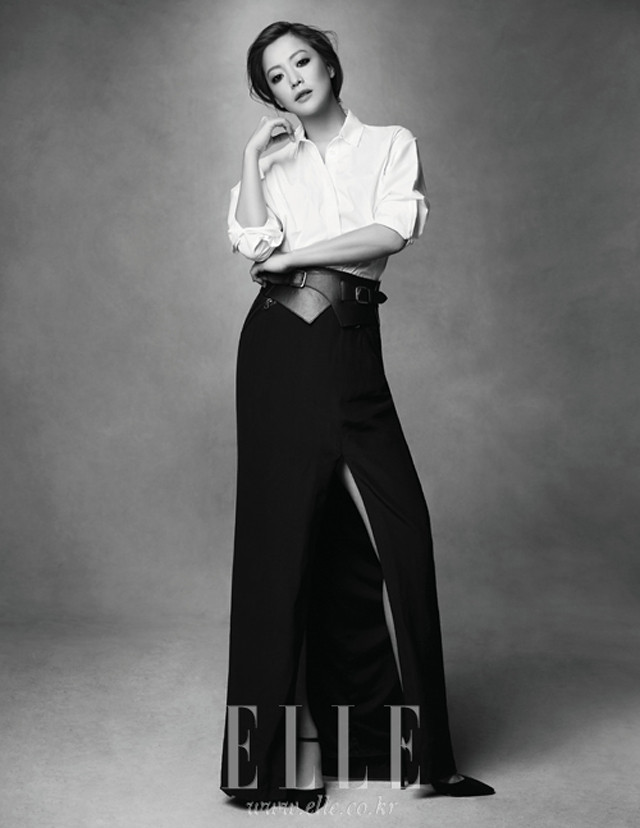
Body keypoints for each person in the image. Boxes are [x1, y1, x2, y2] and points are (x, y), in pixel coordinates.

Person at [220, 21, 494, 813]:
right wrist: (252, 161)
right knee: (280, 548)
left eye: (302, 61)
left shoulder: (390, 144)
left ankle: (406, 755)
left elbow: (390, 232)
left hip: (353, 346)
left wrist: (297, 254)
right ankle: (265, 768)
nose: (294, 79)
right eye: (276, 76)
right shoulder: (274, 163)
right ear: (270, 94)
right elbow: (251, 239)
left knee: (393, 536)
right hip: (281, 346)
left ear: (331, 65)